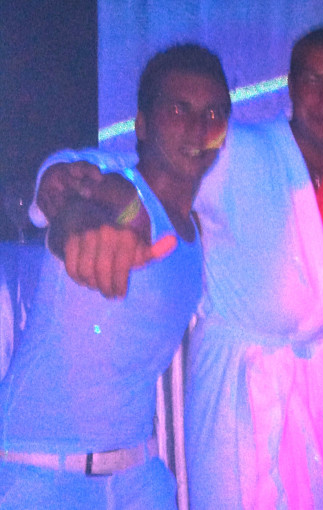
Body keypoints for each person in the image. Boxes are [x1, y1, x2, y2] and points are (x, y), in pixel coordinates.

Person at [31, 27, 323, 510]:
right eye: (314, 79)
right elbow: (128, 169)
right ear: (291, 85)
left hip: (304, 394)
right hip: (240, 395)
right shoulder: (239, 148)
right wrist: (60, 175)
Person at [0, 43, 231, 508]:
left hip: (133, 477)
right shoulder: (113, 182)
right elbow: (70, 193)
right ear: (142, 124)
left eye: (212, 114)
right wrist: (81, 227)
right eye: (178, 110)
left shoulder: (195, 236)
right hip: (39, 471)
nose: (197, 127)